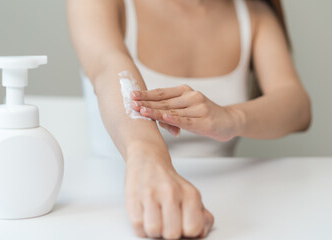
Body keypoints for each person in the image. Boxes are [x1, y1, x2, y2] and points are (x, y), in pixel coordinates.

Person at [67, 0, 311, 239]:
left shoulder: (254, 13)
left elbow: (297, 106)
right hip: (112, 204)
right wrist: (148, 156)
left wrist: (231, 117)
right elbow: (108, 66)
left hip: (230, 207)